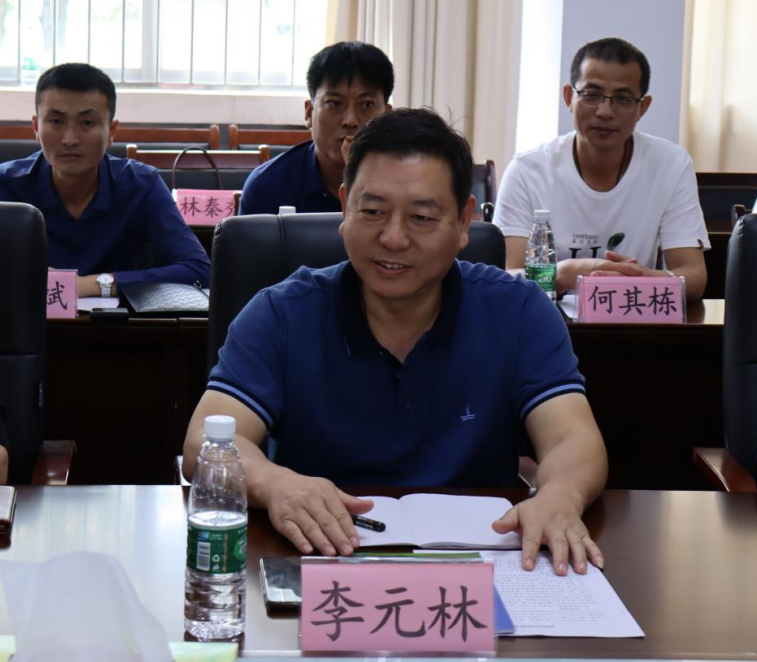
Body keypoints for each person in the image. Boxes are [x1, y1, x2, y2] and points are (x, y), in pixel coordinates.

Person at [185, 108, 608, 575]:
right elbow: (205, 439)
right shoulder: (282, 312)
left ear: (463, 221)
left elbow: (572, 437)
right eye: (372, 211)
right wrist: (274, 483)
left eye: (422, 217)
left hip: (482, 567)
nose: (392, 237)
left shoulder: (519, 310)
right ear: (344, 207)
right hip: (323, 559)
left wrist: (559, 496)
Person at [493, 37, 709, 301]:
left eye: (622, 98)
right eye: (591, 95)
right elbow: (507, 277)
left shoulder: (671, 164)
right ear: (569, 97)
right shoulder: (527, 170)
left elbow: (694, 276)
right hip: (545, 319)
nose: (605, 111)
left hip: (632, 317)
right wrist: (564, 274)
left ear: (642, 108)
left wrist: (634, 278)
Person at [0, 63, 210, 297]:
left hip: (118, 320)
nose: (70, 139)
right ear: (36, 127)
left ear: (111, 131)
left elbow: (199, 270)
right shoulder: (6, 185)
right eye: (56, 122)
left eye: (87, 123)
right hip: (23, 318)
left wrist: (95, 284)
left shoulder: (141, 185)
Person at [238, 41, 393, 215]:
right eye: (335, 103)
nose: (350, 121)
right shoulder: (267, 186)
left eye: (367, 105)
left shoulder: (408, 185)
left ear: (387, 117)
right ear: (309, 112)